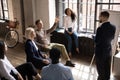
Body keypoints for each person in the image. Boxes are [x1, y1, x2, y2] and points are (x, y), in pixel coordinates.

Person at [95, 11, 116, 80]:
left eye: (100, 16)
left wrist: (94, 38)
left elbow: (97, 41)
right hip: (108, 49)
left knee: (100, 68)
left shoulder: (100, 28)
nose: (99, 18)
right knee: (107, 66)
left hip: (100, 51)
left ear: (103, 17)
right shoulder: (113, 27)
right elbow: (112, 38)